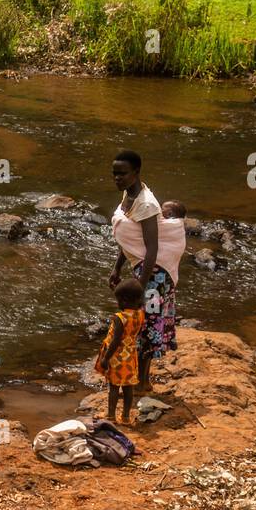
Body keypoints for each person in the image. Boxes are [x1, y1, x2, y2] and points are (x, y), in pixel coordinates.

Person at [108, 151, 184, 392]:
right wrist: (117, 267)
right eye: (115, 173)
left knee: (148, 325)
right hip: (142, 267)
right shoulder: (129, 195)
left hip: (155, 275)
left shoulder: (147, 204)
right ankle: (141, 379)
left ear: (136, 173)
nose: (118, 178)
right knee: (143, 323)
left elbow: (151, 248)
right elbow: (132, 240)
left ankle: (143, 382)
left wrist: (141, 285)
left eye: (123, 173)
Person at [94, 278, 146, 423]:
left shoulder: (119, 318)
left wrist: (105, 358)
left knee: (114, 387)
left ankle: (111, 415)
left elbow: (115, 341)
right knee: (129, 388)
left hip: (117, 357)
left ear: (123, 301)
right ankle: (126, 416)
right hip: (130, 356)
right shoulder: (140, 314)